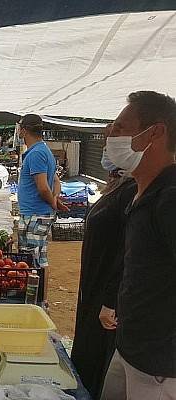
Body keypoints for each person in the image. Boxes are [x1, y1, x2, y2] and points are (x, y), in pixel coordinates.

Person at [100, 91, 176, 399]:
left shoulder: (170, 198)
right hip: (130, 348)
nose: (110, 136)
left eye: (119, 128)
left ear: (155, 133)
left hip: (160, 366)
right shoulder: (142, 193)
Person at [71, 124, 137, 399]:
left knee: (99, 355)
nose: (108, 144)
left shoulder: (138, 191)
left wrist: (111, 300)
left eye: (114, 137)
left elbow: (129, 251)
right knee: (88, 350)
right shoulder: (122, 184)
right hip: (95, 286)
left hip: (109, 296)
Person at [16, 114, 67, 297]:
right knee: (38, 258)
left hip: (35, 215)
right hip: (38, 213)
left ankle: (37, 300)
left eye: (19, 127)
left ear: (24, 130)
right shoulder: (42, 150)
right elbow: (56, 181)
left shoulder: (37, 153)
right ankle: (40, 299)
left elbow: (43, 187)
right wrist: (55, 200)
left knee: (32, 262)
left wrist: (53, 202)